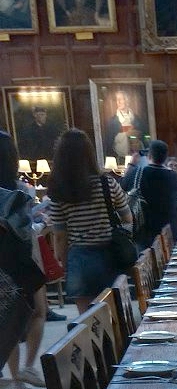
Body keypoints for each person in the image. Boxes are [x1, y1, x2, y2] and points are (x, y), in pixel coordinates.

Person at [47, 128, 132, 314]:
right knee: (114, 314)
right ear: (89, 153)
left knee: (87, 318)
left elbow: (60, 235)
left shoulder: (58, 190)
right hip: (109, 253)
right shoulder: (106, 183)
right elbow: (127, 217)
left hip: (79, 257)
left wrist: (63, 262)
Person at [0, 131, 47, 389]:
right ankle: (30, 366)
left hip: (1, 264)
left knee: (8, 319)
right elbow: (25, 231)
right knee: (39, 311)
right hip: (21, 260)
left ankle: (17, 381)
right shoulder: (18, 191)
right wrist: (42, 224)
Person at [133, 139, 177, 248]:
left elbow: (123, 186)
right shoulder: (173, 176)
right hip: (170, 227)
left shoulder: (140, 172)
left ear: (149, 155)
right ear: (165, 157)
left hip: (147, 229)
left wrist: (131, 164)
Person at [103, 90, 147, 159]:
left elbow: (144, 135)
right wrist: (126, 132)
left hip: (137, 156)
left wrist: (136, 134)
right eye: (117, 100)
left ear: (127, 101)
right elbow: (109, 142)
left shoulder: (137, 119)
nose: (118, 102)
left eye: (120, 99)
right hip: (120, 156)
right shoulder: (113, 121)